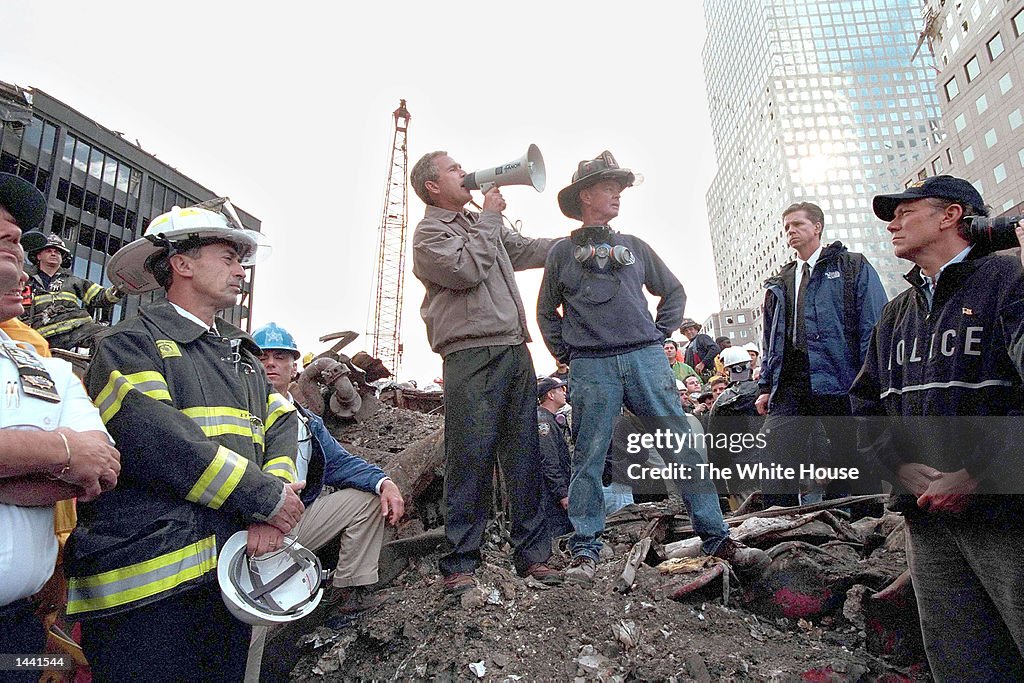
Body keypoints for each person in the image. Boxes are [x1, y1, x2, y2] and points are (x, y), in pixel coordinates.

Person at [65, 204, 302, 681]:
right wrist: (265, 498)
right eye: (229, 257)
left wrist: (273, 513)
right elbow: (157, 440)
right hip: (145, 590)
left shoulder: (243, 357)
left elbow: (282, 427)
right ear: (182, 263)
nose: (240, 271)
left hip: (226, 579)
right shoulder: (129, 343)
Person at [538, 150, 766, 585]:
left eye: (620, 189)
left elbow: (673, 291)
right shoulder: (562, 255)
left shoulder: (635, 248)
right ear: (585, 195)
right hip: (592, 365)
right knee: (588, 455)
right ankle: (586, 547)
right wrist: (568, 354)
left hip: (644, 358)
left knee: (682, 447)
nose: (617, 196)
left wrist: (657, 335)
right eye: (608, 188)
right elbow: (546, 312)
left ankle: (717, 537)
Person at [851, 176, 1024, 678]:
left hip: (1004, 512)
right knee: (960, 659)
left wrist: (978, 475)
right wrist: (899, 467)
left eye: (906, 212)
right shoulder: (895, 315)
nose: (892, 223)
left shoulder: (1007, 281)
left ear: (950, 215)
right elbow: (864, 405)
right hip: (927, 522)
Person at [409, 151, 561, 594]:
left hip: (514, 348)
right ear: (433, 186)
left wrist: (574, 243)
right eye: (454, 169)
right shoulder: (429, 233)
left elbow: (527, 250)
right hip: (470, 356)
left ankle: (534, 556)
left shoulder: (480, 224)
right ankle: (460, 561)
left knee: (524, 455)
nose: (465, 172)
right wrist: (491, 218)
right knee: (470, 457)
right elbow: (465, 270)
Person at [0, 174, 121, 679]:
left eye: (19, 241)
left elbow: (99, 467)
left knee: (39, 667)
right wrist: (64, 452)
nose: (21, 249)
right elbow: (76, 457)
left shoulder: (41, 362)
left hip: (16, 631)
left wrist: (25, 464)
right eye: (6, 235)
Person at [247, 322, 405, 682]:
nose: (271, 364)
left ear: (294, 367)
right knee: (250, 621)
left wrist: (385, 482)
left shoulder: (305, 419)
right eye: (262, 357)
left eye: (280, 357)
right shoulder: (238, 411)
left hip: (295, 520)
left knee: (365, 500)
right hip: (248, 531)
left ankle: (349, 592)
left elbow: (339, 463)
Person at [756, 201, 888, 507]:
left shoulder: (851, 266)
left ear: (817, 227)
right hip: (792, 380)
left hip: (841, 376)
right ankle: (780, 520)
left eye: (798, 224)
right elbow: (771, 339)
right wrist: (765, 386)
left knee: (852, 454)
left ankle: (868, 521)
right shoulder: (782, 280)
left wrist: (871, 377)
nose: (790, 231)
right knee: (775, 448)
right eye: (786, 226)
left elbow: (874, 323)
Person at [21, 232, 122, 350]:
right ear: (38, 256)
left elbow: (101, 297)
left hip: (78, 330)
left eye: (58, 252)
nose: (54, 254)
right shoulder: (24, 281)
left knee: (113, 338)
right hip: (40, 337)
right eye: (49, 251)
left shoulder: (73, 281)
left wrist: (121, 287)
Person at [536, 375, 572, 538]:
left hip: (553, 492)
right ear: (550, 395)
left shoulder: (548, 419)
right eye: (561, 389)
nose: (564, 393)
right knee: (557, 534)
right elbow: (548, 461)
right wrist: (562, 493)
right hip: (550, 496)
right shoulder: (544, 423)